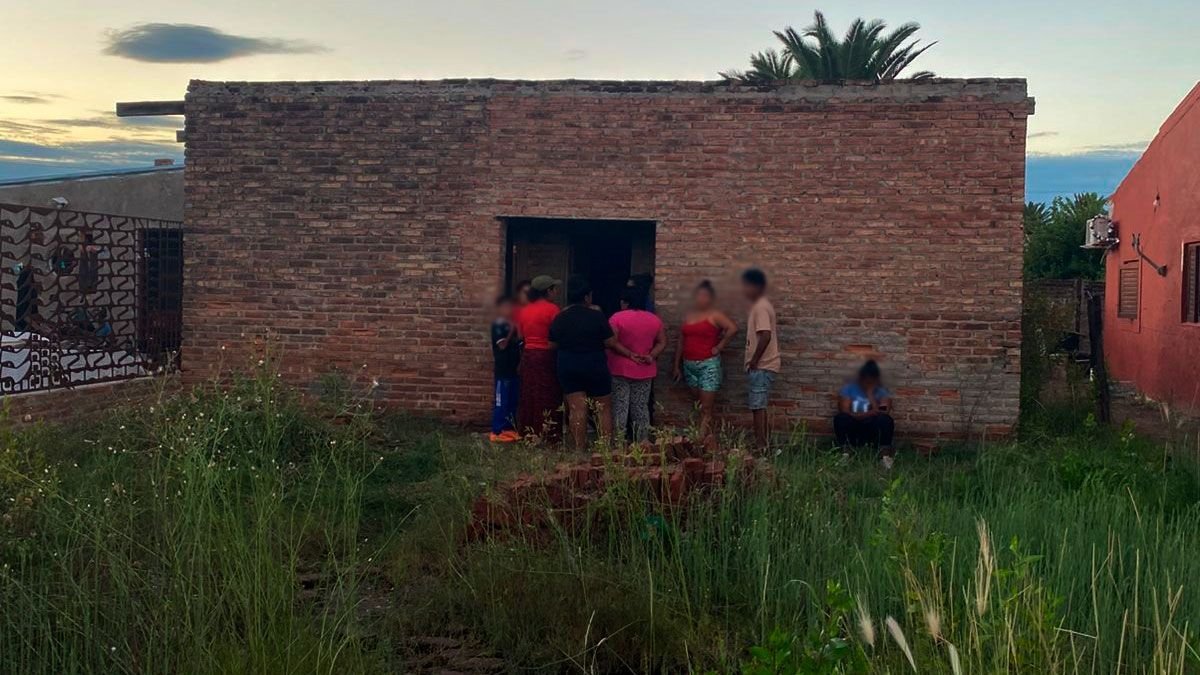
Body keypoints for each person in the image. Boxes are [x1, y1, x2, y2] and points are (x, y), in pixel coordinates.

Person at [549, 275, 642, 449]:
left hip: (568, 364)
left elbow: (552, 344)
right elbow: (610, 342)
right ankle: (605, 448)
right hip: (594, 363)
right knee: (603, 407)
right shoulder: (596, 316)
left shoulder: (560, 317)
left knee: (577, 408)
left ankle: (579, 448)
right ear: (586, 297)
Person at [672, 280, 738, 438]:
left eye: (705, 296)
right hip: (689, 364)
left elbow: (733, 328)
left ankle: (699, 441)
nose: (701, 298)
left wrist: (719, 347)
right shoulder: (688, 315)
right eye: (699, 295)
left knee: (706, 408)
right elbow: (681, 341)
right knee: (699, 405)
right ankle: (708, 438)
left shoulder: (715, 314)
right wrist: (676, 365)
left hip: (708, 364)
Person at [608, 285, 666, 441]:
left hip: (620, 368)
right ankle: (643, 441)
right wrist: (651, 356)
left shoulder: (617, 318)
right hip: (645, 369)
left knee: (620, 407)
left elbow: (612, 342)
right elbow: (662, 342)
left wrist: (629, 354)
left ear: (624, 302)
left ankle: (618, 443)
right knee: (640, 407)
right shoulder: (654, 320)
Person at [515, 275, 562, 441]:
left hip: (528, 354)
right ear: (548, 291)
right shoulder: (553, 310)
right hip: (546, 355)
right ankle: (548, 432)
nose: (556, 292)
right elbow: (558, 335)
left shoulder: (524, 310)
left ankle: (528, 431)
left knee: (529, 393)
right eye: (554, 289)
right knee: (548, 393)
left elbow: (520, 336)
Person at [742, 268, 780, 452]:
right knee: (759, 406)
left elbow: (765, 334)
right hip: (763, 365)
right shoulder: (760, 306)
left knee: (758, 406)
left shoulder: (760, 307)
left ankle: (761, 446)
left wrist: (754, 360)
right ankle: (765, 445)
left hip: (762, 366)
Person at [834, 360, 897, 469]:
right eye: (865, 380)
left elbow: (884, 411)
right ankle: (846, 454)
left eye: (871, 381)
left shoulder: (882, 391)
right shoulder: (849, 389)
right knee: (841, 418)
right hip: (854, 426)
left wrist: (870, 395)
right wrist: (868, 413)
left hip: (872, 429)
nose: (868, 383)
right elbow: (844, 410)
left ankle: (884, 457)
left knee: (885, 420)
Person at [489, 295, 521, 442]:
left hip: (513, 370)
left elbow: (519, 342)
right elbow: (502, 345)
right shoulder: (498, 325)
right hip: (503, 370)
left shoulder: (512, 324)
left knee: (512, 402)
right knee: (501, 402)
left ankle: (509, 429)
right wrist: (511, 330)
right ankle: (497, 431)